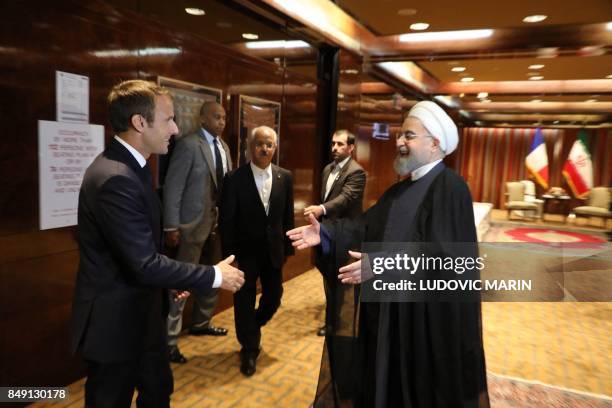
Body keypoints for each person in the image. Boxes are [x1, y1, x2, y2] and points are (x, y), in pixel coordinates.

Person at [287, 101, 489, 407]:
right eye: (400, 135)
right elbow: (364, 229)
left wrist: (381, 264)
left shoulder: (451, 187)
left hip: (423, 324)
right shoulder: (399, 191)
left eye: (409, 136)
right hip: (386, 316)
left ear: (435, 143)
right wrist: (326, 233)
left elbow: (445, 256)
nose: (399, 142)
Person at [70, 80, 245, 408]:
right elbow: (143, 263)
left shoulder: (132, 166)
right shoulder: (115, 177)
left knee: (157, 392)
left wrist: (171, 282)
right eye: (168, 119)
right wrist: (214, 276)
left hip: (143, 313)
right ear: (140, 122)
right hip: (116, 325)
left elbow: (141, 249)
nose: (176, 129)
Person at [219, 125, 294, 377]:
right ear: (251, 147)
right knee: (243, 301)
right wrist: (230, 259)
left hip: (273, 251)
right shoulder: (234, 179)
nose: (265, 148)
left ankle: (252, 326)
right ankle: (249, 349)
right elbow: (227, 222)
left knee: (274, 297)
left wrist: (287, 250)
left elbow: (287, 216)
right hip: (244, 253)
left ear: (275, 148)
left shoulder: (286, 176)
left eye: (269, 144)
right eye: (260, 144)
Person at [163, 101, 232, 364]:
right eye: (216, 117)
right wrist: (171, 225)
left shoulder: (224, 148)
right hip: (190, 227)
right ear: (202, 118)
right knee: (179, 285)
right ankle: (169, 342)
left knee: (213, 277)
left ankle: (202, 323)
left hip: (217, 226)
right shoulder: (189, 145)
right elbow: (173, 187)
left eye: (224, 117)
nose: (222, 122)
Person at [304, 129, 365, 337]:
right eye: (333, 144)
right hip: (326, 232)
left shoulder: (357, 172)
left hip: (344, 234)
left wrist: (321, 209)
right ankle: (333, 317)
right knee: (328, 275)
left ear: (351, 148)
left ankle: (335, 323)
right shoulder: (327, 169)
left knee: (338, 279)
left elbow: (345, 198)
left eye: (340, 144)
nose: (335, 148)